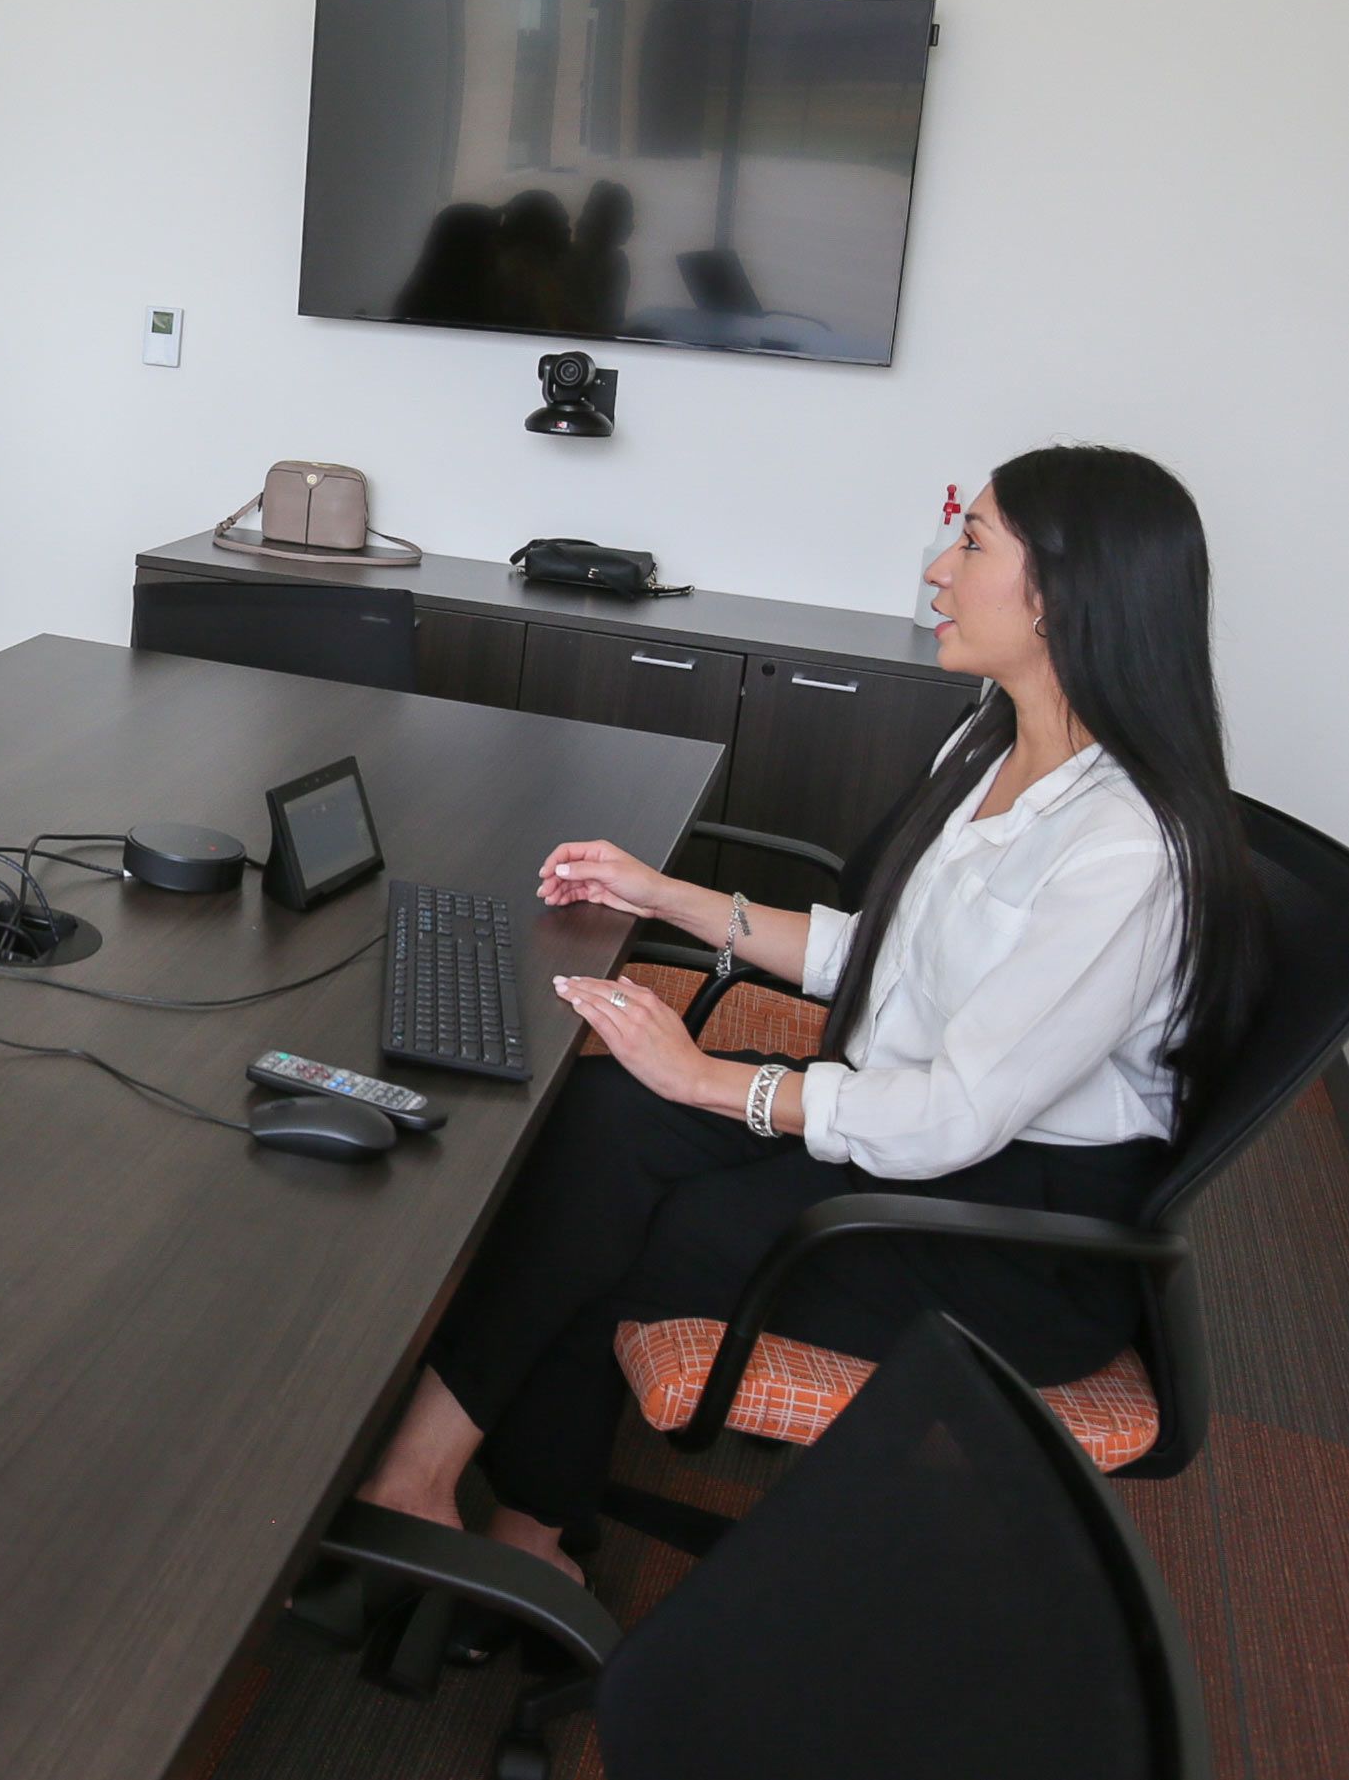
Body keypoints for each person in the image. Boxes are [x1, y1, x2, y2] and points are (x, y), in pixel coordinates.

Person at [356, 442, 1267, 1588]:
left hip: (1005, 1226)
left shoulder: (1125, 849)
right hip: (908, 1135)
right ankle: (467, 1501)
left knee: (626, 1211)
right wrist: (665, 897)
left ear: (1064, 594)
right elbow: (880, 954)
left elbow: (953, 1118)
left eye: (972, 542)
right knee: (590, 1119)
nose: (937, 569)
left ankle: (507, 1521)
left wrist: (704, 1078)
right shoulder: (988, 742)